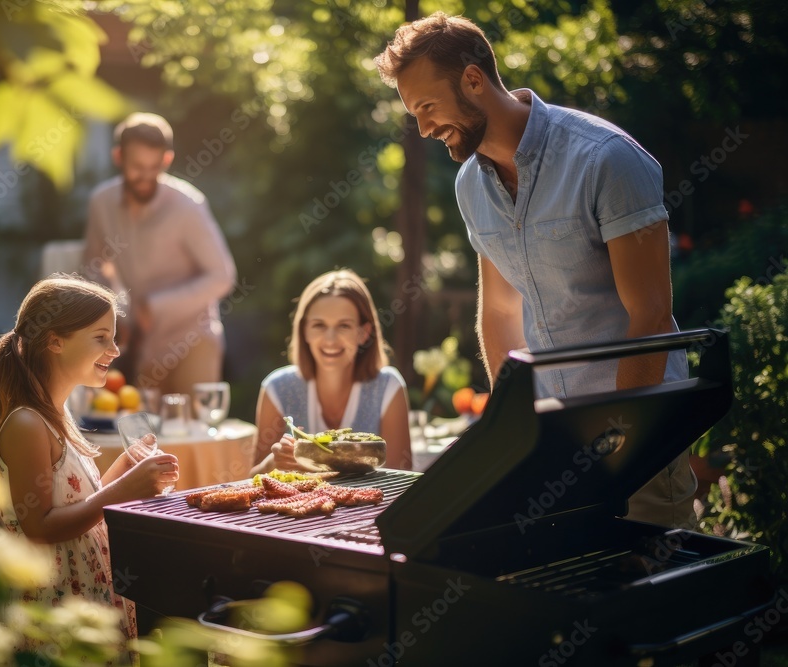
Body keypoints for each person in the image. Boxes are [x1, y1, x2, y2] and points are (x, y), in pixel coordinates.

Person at [375, 13, 696, 527]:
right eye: (415, 113)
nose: (424, 128)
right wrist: (512, 431)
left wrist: (616, 445)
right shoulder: (470, 185)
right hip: (550, 445)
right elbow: (500, 312)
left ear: (474, 81)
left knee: (653, 596)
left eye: (428, 107)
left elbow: (652, 317)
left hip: (640, 440)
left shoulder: (606, 158)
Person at [0, 274, 179, 657]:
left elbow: (72, 504)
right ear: (55, 340)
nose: (116, 350)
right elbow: (38, 526)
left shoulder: (55, 414)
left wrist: (124, 469)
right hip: (56, 606)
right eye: (101, 337)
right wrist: (125, 491)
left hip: (86, 590)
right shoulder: (26, 423)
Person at [82, 112, 237, 397]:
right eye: (137, 167)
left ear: (166, 160)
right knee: (149, 435)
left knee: (195, 433)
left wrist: (155, 306)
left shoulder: (188, 206)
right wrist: (116, 314)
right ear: (118, 157)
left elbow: (223, 276)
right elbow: (94, 267)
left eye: (155, 167)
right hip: (145, 344)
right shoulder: (100, 203)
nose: (146, 177)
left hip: (193, 340)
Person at [251, 269, 413, 474]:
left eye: (344, 326)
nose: (330, 339)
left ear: (364, 333)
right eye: (319, 325)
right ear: (304, 331)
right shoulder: (277, 388)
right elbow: (251, 480)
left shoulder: (388, 387)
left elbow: (402, 479)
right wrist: (272, 464)